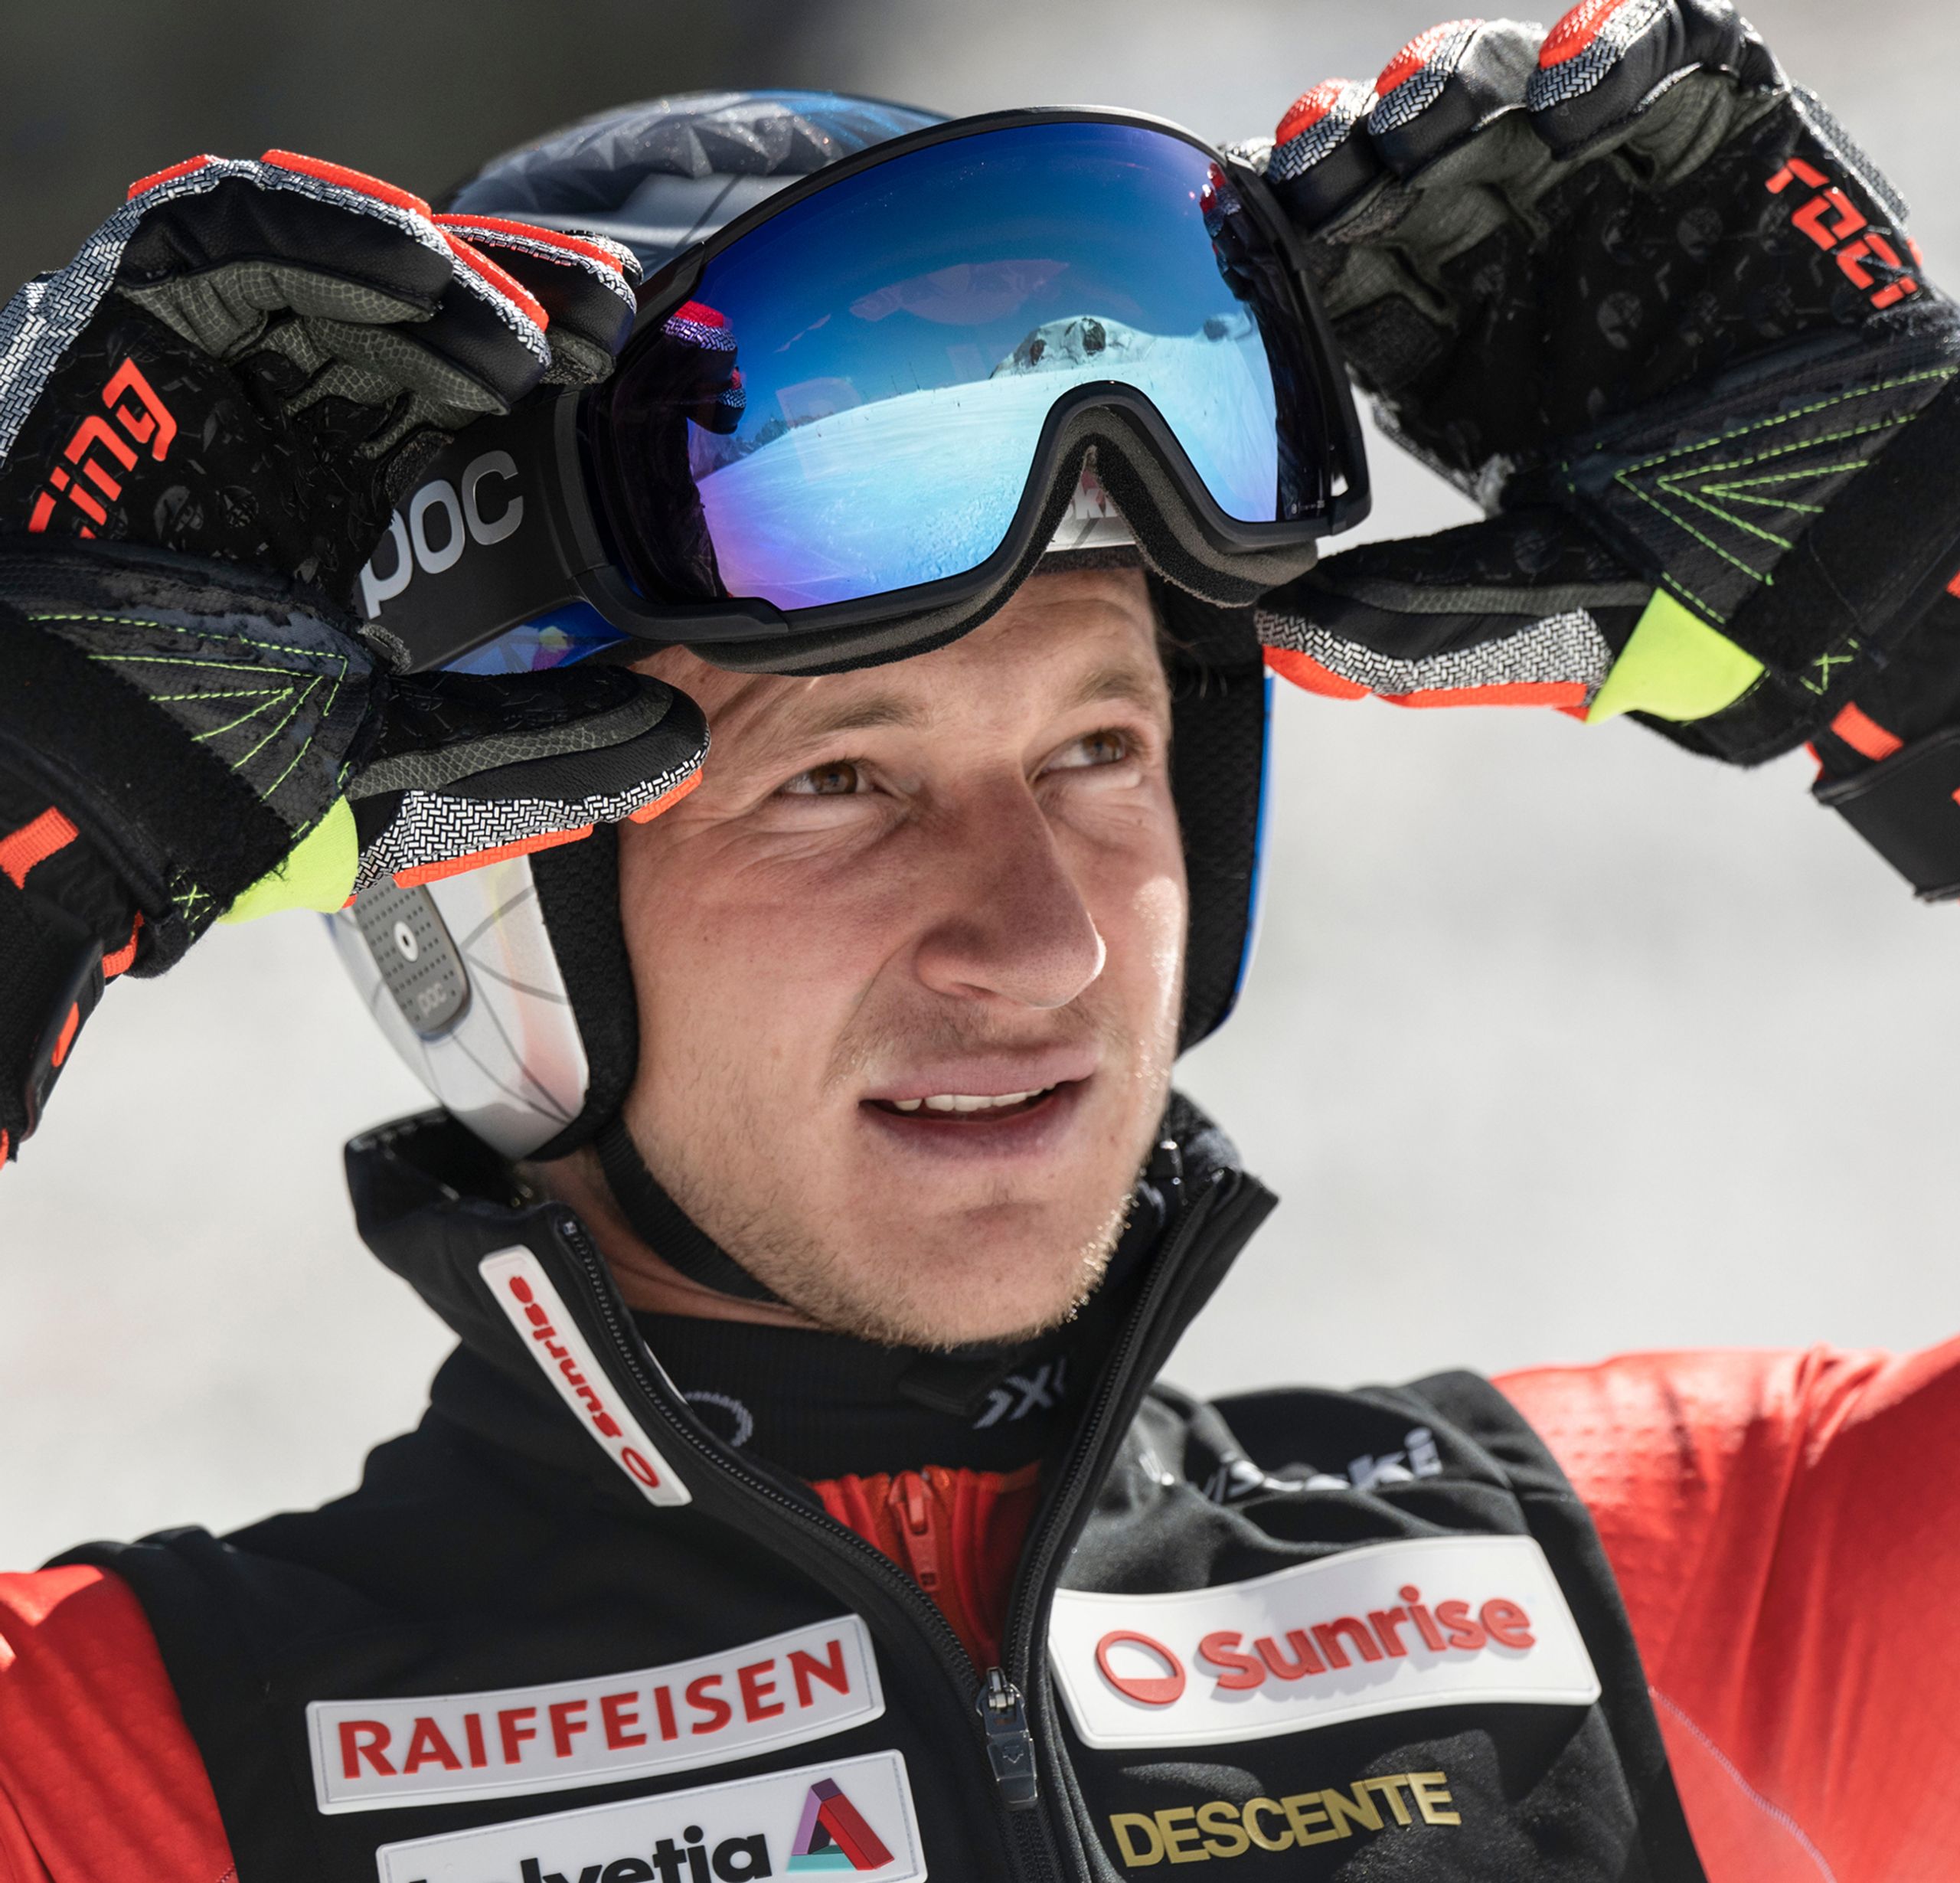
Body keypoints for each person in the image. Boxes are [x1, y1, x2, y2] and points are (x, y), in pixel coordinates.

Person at [2, 5, 1958, 1878]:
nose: (1043, 951)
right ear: (491, 885)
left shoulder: (1636, 1598)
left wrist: (1924, 600)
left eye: (1099, 751)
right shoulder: (143, 1770)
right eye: (838, 781)